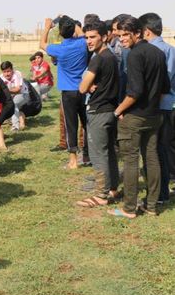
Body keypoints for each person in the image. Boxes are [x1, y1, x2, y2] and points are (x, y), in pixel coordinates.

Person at [109, 16, 170, 218]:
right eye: (119, 35)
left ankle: (129, 208)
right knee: (151, 159)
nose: (122, 40)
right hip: (154, 115)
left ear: (138, 33)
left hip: (135, 117)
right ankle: (151, 206)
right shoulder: (159, 53)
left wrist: (118, 111)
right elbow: (164, 88)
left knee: (131, 161)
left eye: (126, 35)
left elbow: (134, 92)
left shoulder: (134, 55)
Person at [75, 20, 120, 208]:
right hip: (111, 110)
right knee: (109, 152)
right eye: (86, 37)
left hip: (98, 111)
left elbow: (82, 87)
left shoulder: (98, 58)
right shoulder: (111, 56)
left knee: (98, 154)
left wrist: (87, 85)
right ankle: (113, 189)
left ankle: (102, 195)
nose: (88, 41)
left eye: (92, 37)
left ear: (103, 37)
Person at [40, 15, 89, 169]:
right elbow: (82, 34)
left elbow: (42, 44)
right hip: (85, 90)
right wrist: (72, 21)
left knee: (70, 125)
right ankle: (87, 155)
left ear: (60, 33)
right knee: (87, 124)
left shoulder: (59, 49)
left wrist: (47, 26)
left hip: (68, 93)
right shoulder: (83, 43)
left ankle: (73, 160)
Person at [138, 13, 175, 204]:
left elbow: (162, 82)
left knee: (155, 151)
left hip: (158, 107)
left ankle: (160, 194)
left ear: (146, 31)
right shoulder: (170, 49)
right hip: (168, 105)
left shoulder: (153, 51)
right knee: (163, 148)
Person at [0, 61, 29, 131]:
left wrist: (5, 90)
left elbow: (18, 89)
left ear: (12, 69)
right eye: (4, 72)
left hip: (23, 94)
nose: (6, 74)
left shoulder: (17, 74)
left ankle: (15, 126)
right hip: (11, 96)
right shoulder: (0, 78)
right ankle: (20, 119)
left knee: (13, 104)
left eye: (8, 71)